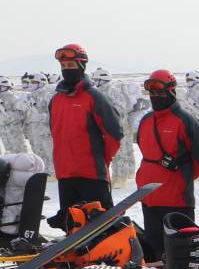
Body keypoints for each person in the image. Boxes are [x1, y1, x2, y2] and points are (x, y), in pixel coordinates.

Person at [135, 69, 199, 260]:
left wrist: (179, 179)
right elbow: (144, 150)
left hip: (176, 201)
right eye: (152, 93)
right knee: (156, 253)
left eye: (160, 92)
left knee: (181, 254)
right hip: (148, 198)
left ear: (172, 91)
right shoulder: (146, 121)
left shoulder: (185, 121)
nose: (155, 97)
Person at [48, 44, 123, 213]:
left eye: (71, 65)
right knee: (73, 227)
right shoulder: (56, 100)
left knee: (99, 229)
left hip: (91, 176)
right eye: (63, 66)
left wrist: (103, 159)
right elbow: (56, 134)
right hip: (65, 174)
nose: (66, 69)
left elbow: (114, 134)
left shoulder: (94, 97)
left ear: (81, 66)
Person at [92, 67, 147, 186]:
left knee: (120, 152)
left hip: (119, 125)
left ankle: (121, 178)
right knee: (122, 151)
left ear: (103, 79)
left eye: (97, 79)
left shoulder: (112, 90)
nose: (95, 82)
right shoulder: (102, 91)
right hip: (112, 126)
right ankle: (122, 175)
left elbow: (120, 108)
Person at [24, 72, 55, 174]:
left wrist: (39, 117)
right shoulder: (29, 97)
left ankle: (53, 176)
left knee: (50, 156)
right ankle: (42, 175)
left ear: (41, 83)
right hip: (33, 133)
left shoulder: (48, 96)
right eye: (31, 82)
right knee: (38, 156)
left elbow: (54, 115)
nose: (31, 84)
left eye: (34, 82)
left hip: (45, 132)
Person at [0, 76, 28, 154]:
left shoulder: (12, 97)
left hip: (13, 129)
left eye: (2, 87)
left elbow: (23, 113)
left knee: (20, 151)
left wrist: (8, 117)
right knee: (9, 152)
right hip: (3, 130)